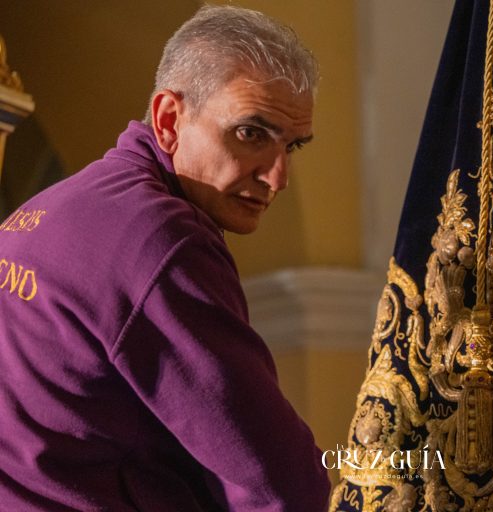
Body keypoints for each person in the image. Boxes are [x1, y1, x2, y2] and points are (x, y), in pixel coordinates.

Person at [0, 5, 330, 511]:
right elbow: (277, 480)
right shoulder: (163, 241)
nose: (277, 177)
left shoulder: (46, 207)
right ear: (169, 118)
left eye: (293, 146)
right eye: (251, 133)